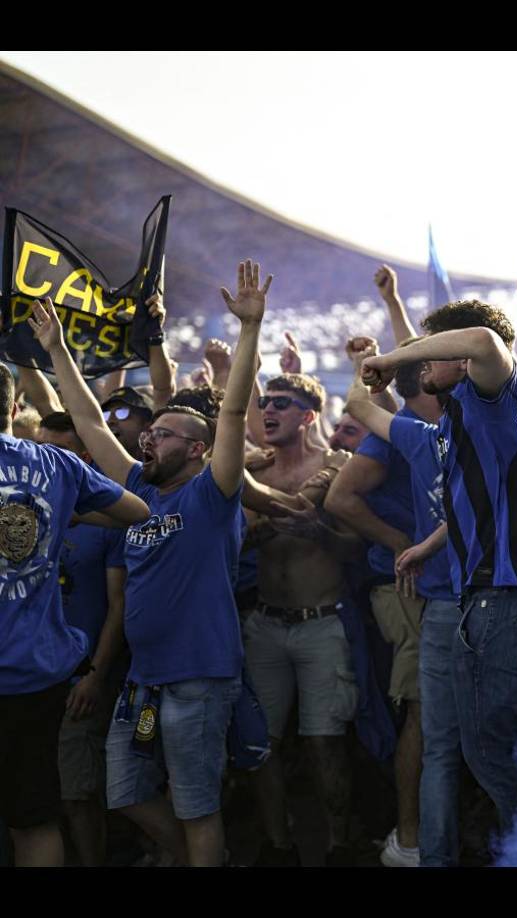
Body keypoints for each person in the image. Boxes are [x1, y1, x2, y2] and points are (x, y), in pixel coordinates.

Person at [27, 260, 267, 867]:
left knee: (196, 805)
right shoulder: (139, 490)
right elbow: (86, 420)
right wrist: (57, 351)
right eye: (150, 431)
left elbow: (234, 415)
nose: (147, 438)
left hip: (198, 681)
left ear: (197, 449)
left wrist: (248, 332)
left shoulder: (211, 496)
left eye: (165, 433)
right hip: (145, 686)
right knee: (127, 791)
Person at [359, 297, 517, 834]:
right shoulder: (458, 423)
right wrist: (429, 546)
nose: (422, 365)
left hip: (510, 595)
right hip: (493, 597)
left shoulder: (494, 400)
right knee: (499, 746)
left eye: (434, 352)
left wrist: (391, 356)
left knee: (492, 751)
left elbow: (482, 340)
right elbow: (482, 502)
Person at [0, 365, 149, 868]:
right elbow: (137, 512)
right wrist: (62, 510)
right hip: (35, 674)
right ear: (14, 408)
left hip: (30, 674)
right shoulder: (56, 466)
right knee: (36, 819)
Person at [326, 351, 445, 868]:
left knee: (442, 713)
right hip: (410, 590)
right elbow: (341, 498)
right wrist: (406, 546)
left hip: (443, 587)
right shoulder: (402, 428)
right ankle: (409, 840)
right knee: (424, 710)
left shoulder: (458, 424)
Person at [242, 371, 363, 866]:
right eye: (266, 401)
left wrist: (320, 533)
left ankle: (339, 847)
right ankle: (278, 845)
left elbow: (361, 549)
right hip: (266, 622)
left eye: (283, 404)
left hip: (321, 622)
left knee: (323, 744)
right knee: (260, 745)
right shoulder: (254, 470)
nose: (268, 410)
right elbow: (239, 542)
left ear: (310, 415)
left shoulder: (340, 466)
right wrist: (281, 518)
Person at [38, 412, 130, 867]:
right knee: (31, 798)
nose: (42, 458)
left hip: (80, 678)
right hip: (29, 676)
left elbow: (119, 606)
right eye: (39, 447)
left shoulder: (106, 518)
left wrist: (96, 675)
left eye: (56, 450)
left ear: (84, 457)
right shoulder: (20, 505)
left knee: (79, 793)